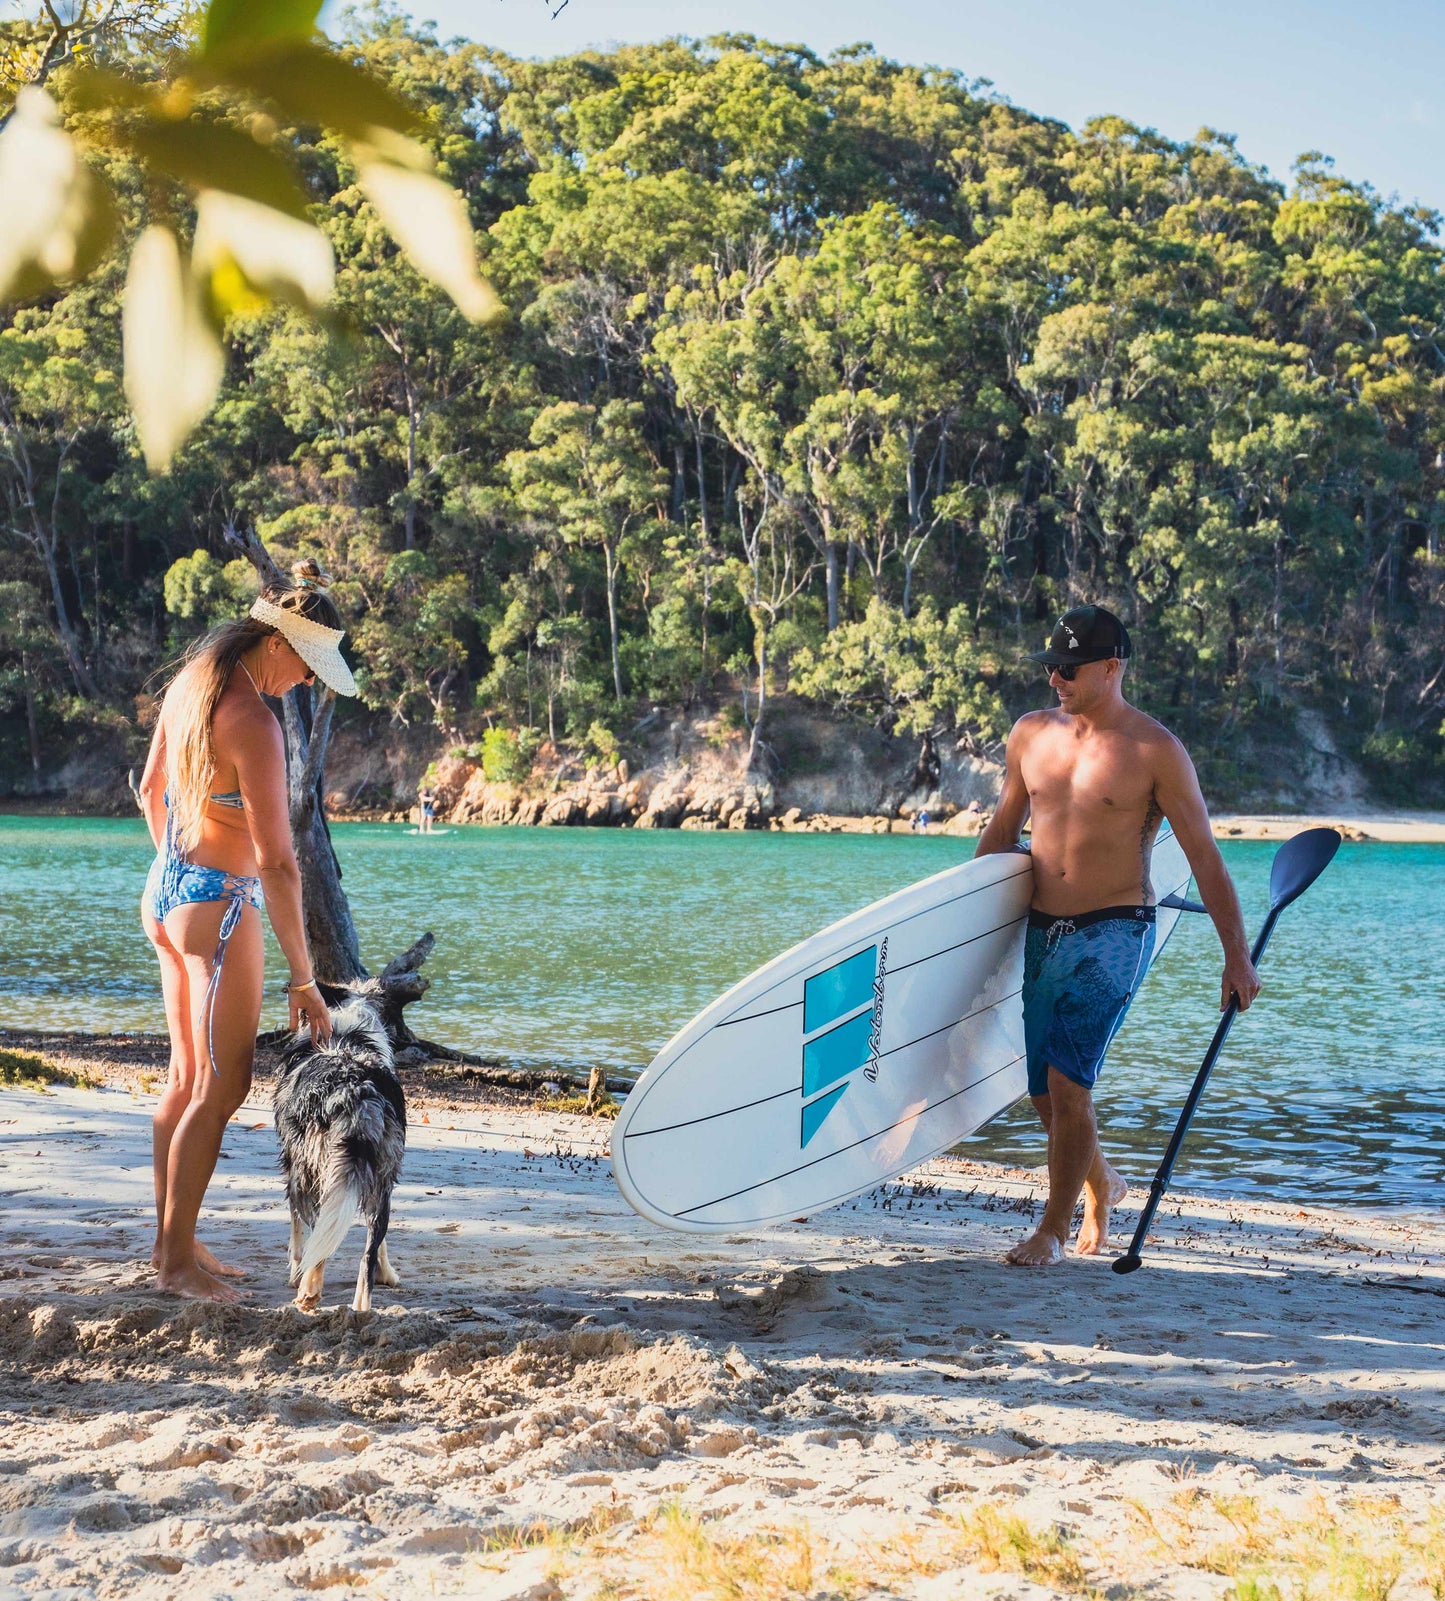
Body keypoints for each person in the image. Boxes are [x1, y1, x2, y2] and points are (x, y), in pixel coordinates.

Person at [974, 605, 1260, 1267]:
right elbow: (999, 833)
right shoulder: (1029, 735)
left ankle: (1049, 1227)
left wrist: (1235, 955)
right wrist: (958, 931)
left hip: (1115, 929)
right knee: (1044, 1091)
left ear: (1111, 666)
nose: (1054, 678)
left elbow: (1204, 856)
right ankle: (1102, 1184)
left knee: (1069, 1084)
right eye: (1049, 666)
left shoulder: (1153, 750)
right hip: (1043, 927)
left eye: (1068, 668)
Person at [137, 559, 357, 1302]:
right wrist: (305, 977)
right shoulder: (254, 721)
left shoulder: (193, 679)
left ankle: (176, 1238)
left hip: (167, 891)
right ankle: (174, 1266)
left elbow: (149, 788)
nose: (307, 682)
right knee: (222, 1084)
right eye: (307, 666)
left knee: (184, 1080)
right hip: (222, 910)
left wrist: (181, 865)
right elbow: (279, 862)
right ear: (277, 645)